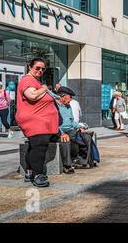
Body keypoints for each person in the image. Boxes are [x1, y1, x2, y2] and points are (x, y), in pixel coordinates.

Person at [16, 58, 58, 188]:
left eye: (43, 69)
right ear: (30, 67)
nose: (40, 71)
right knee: (39, 148)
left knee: (34, 146)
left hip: (40, 120)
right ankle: (38, 175)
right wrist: (44, 88)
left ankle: (29, 172)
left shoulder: (34, 80)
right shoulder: (27, 80)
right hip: (35, 120)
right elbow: (32, 96)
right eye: (37, 68)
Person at [54, 86, 80, 174]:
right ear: (62, 96)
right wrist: (61, 133)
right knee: (65, 140)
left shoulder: (68, 106)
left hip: (69, 130)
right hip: (57, 131)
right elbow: (52, 123)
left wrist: (79, 127)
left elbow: (72, 121)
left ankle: (82, 161)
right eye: (69, 97)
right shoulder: (53, 105)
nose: (70, 100)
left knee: (83, 136)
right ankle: (67, 166)